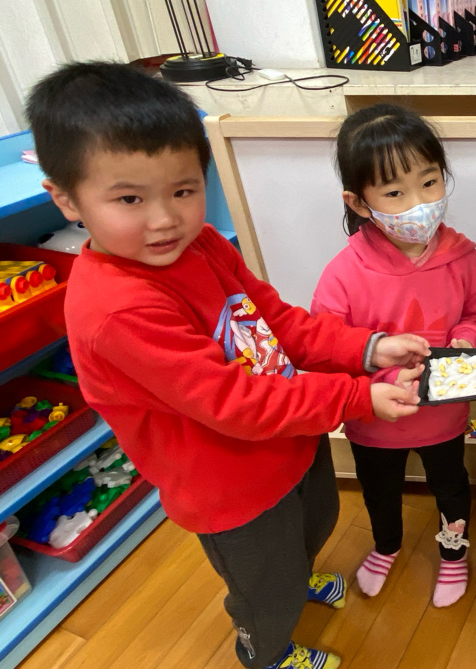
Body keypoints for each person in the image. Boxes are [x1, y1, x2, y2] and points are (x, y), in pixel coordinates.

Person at [30, 62, 429, 669]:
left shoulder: (204, 245)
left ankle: (297, 578)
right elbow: (233, 403)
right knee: (265, 591)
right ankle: (264, 652)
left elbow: (277, 320)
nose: (165, 219)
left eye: (183, 190)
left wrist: (366, 349)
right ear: (66, 198)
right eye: (130, 199)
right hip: (228, 488)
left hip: (289, 440)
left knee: (313, 524)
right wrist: (356, 397)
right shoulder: (117, 311)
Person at [311, 104, 476, 608]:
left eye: (430, 182)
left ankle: (453, 552)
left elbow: (475, 313)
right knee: (379, 490)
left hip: (445, 415)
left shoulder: (464, 258)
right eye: (395, 192)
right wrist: (378, 381)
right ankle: (386, 544)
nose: (419, 203)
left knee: (451, 487)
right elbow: (326, 350)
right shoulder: (343, 274)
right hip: (373, 420)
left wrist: (466, 341)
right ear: (359, 202)